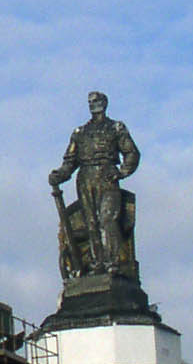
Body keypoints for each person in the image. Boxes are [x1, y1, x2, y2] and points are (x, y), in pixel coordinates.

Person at [49, 91, 140, 275]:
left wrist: (122, 171)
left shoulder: (116, 128)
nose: (93, 104)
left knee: (107, 219)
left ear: (105, 103)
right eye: (90, 101)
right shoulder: (80, 133)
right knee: (90, 222)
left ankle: (112, 262)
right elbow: (70, 161)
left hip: (107, 176)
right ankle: (98, 262)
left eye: (97, 101)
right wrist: (59, 175)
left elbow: (131, 153)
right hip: (85, 178)